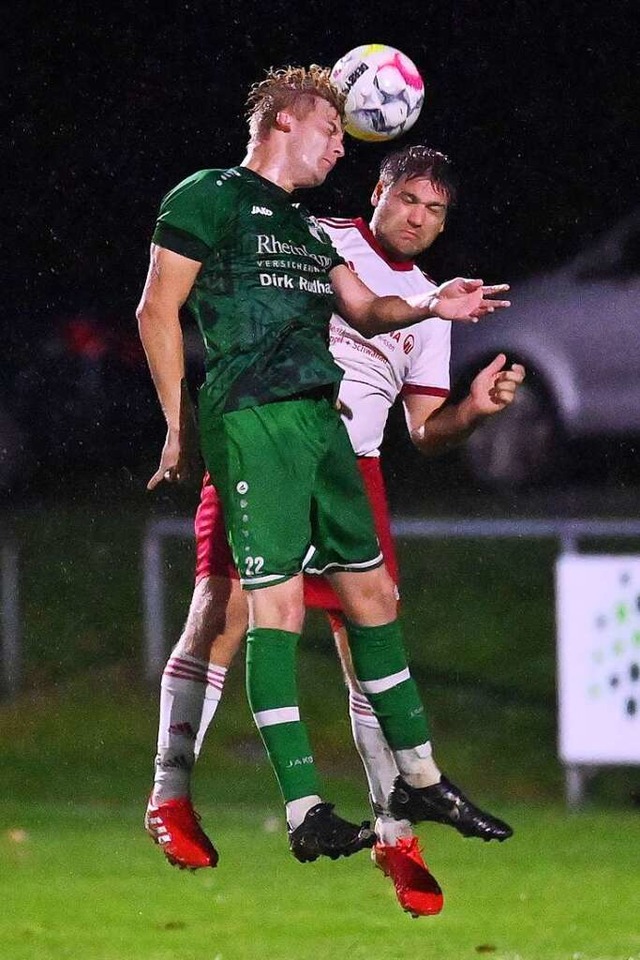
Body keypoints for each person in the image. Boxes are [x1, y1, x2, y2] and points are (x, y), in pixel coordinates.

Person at [137, 64, 513, 886]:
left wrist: (448, 344)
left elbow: (394, 363)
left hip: (338, 446)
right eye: (332, 131)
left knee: (367, 614)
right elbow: (156, 304)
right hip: (258, 426)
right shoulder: (246, 203)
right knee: (232, 611)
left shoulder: (322, 244)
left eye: (435, 210)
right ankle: (183, 794)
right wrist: (178, 425)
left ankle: (402, 814)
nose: (342, 144)